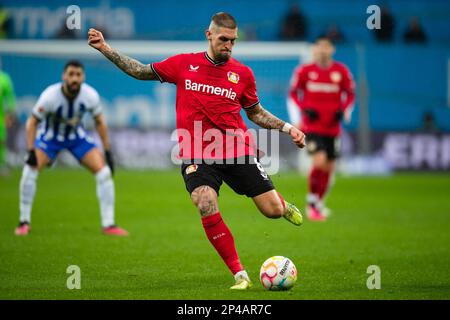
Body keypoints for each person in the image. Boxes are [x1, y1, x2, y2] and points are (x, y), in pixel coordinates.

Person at [88, 12, 306, 290]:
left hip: (236, 149)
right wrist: (106, 48)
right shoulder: (183, 64)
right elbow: (140, 71)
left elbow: (255, 113)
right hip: (196, 153)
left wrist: (288, 128)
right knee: (204, 201)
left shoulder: (242, 74)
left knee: (271, 211)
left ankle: (283, 205)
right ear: (209, 35)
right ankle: (240, 275)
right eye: (224, 39)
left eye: (233, 41)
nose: (229, 45)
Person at [15, 60, 128, 237]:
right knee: (29, 171)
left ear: (83, 77)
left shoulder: (90, 95)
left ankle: (109, 224)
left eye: (78, 75)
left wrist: (107, 151)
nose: (74, 79)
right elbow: (31, 123)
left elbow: (100, 122)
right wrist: (30, 151)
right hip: (50, 138)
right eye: (71, 74)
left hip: (76, 138)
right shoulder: (50, 96)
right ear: (64, 76)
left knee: (104, 173)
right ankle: (24, 222)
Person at [287, 36, 355, 221]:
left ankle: (318, 202)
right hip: (312, 127)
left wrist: (345, 111)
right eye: (319, 46)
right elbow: (293, 94)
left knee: (329, 167)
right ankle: (311, 202)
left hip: (332, 128)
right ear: (314, 49)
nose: (323, 50)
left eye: (327, 46)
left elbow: (350, 94)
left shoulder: (341, 71)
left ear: (332, 49)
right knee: (319, 161)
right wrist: (299, 116)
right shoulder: (305, 71)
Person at [0, 67, 16, 175]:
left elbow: (10, 98)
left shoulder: (4, 79)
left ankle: (1, 165)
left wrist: (10, 113)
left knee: (1, 141)